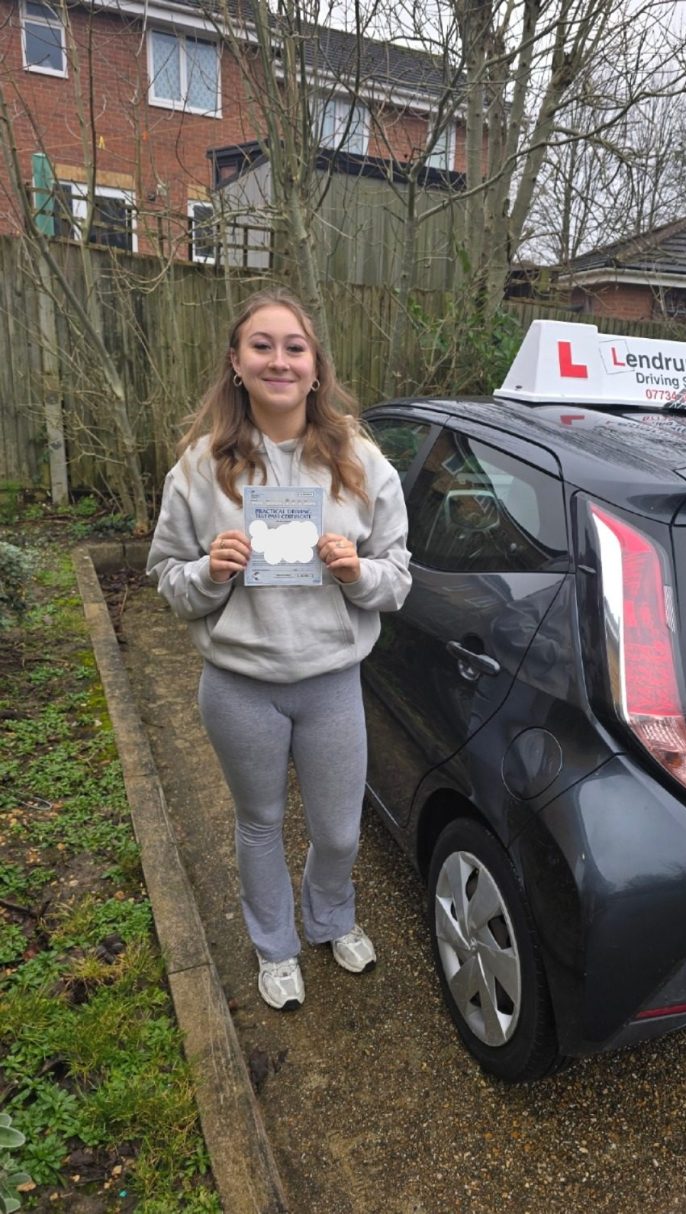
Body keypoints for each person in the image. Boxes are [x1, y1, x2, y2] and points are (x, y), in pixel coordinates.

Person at [146, 288, 412, 1012]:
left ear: (316, 365)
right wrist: (209, 572)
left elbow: (397, 578)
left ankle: (330, 918)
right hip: (240, 685)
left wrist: (357, 575)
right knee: (259, 823)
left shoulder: (361, 463)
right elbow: (167, 576)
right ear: (236, 363)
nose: (279, 361)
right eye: (261, 346)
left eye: (294, 347)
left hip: (331, 682)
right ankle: (275, 947)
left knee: (338, 831)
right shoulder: (200, 468)